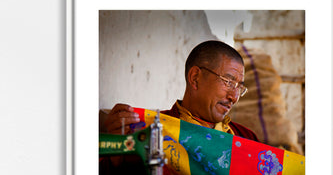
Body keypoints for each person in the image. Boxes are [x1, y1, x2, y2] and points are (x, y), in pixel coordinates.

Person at [100, 40, 259, 141]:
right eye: (229, 82)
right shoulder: (151, 132)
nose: (234, 96)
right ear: (195, 77)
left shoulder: (246, 139)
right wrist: (117, 146)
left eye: (239, 87)